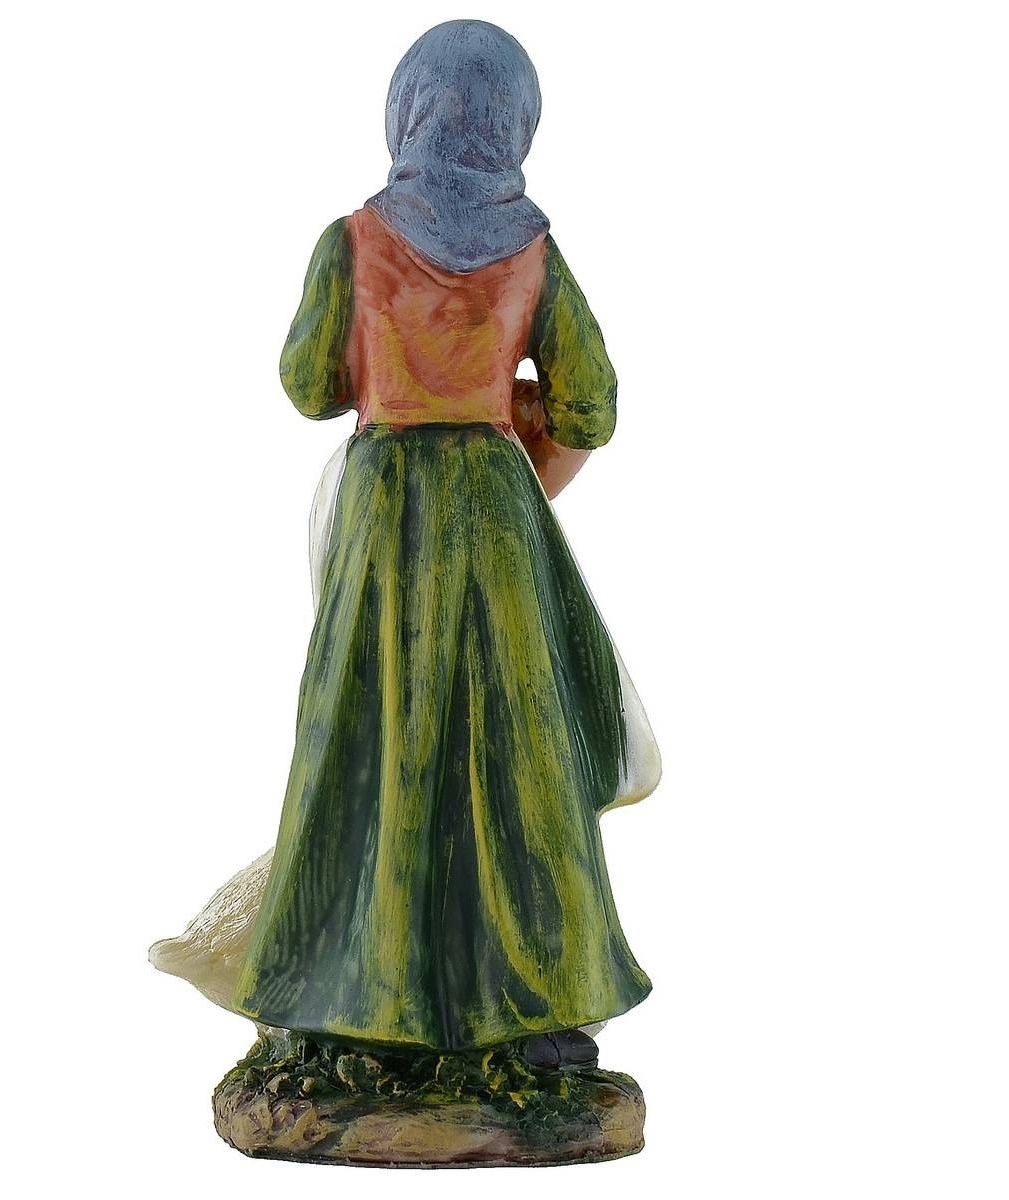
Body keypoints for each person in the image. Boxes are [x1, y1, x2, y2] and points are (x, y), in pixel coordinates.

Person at [227, 21, 661, 1067]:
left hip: (383, 521)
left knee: (364, 735)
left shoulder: (351, 242)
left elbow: (309, 387)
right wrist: (510, 415)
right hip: (494, 523)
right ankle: (541, 1007)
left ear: (407, 110)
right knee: (517, 749)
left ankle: (353, 993)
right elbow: (592, 404)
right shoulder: (534, 253)